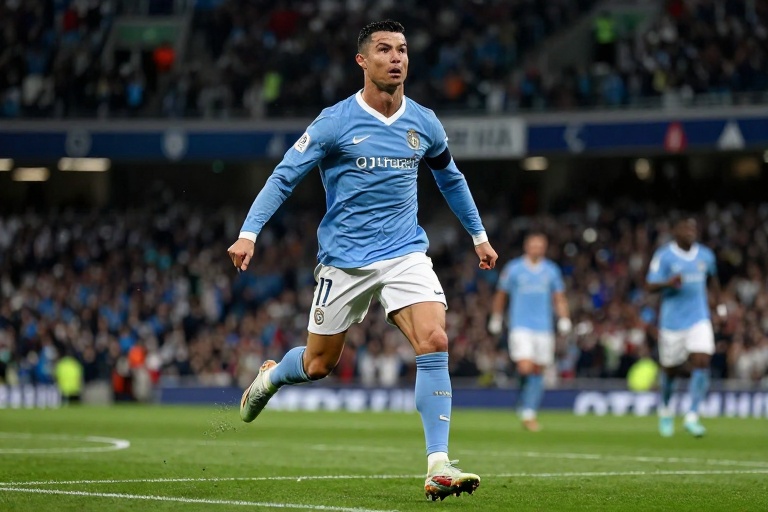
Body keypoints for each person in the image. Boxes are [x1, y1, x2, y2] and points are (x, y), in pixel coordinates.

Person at [227, 20, 498, 501]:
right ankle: (271, 377)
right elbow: (285, 175)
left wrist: (478, 235)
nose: (397, 58)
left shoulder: (424, 122)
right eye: (385, 50)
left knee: (435, 338)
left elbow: (450, 178)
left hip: (405, 252)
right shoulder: (335, 122)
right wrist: (249, 233)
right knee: (318, 364)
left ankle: (438, 464)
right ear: (362, 61)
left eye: (402, 50)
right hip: (345, 260)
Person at [646, 216, 721, 438]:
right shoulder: (664, 256)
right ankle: (666, 410)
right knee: (670, 371)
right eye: (686, 228)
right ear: (675, 232)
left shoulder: (705, 255)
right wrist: (668, 283)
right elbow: (649, 285)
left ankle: (692, 416)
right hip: (672, 323)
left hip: (699, 317)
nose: (691, 232)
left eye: (693, 228)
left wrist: (720, 306)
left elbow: (713, 280)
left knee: (702, 359)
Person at [488, 232, 571, 432]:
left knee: (538, 369)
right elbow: (501, 294)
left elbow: (559, 297)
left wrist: (564, 318)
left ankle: (528, 409)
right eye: (534, 245)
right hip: (520, 325)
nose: (537, 249)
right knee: (525, 367)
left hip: (544, 327)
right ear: (526, 247)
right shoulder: (514, 268)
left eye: (540, 246)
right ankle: (525, 406)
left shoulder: (551, 270)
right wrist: (496, 317)